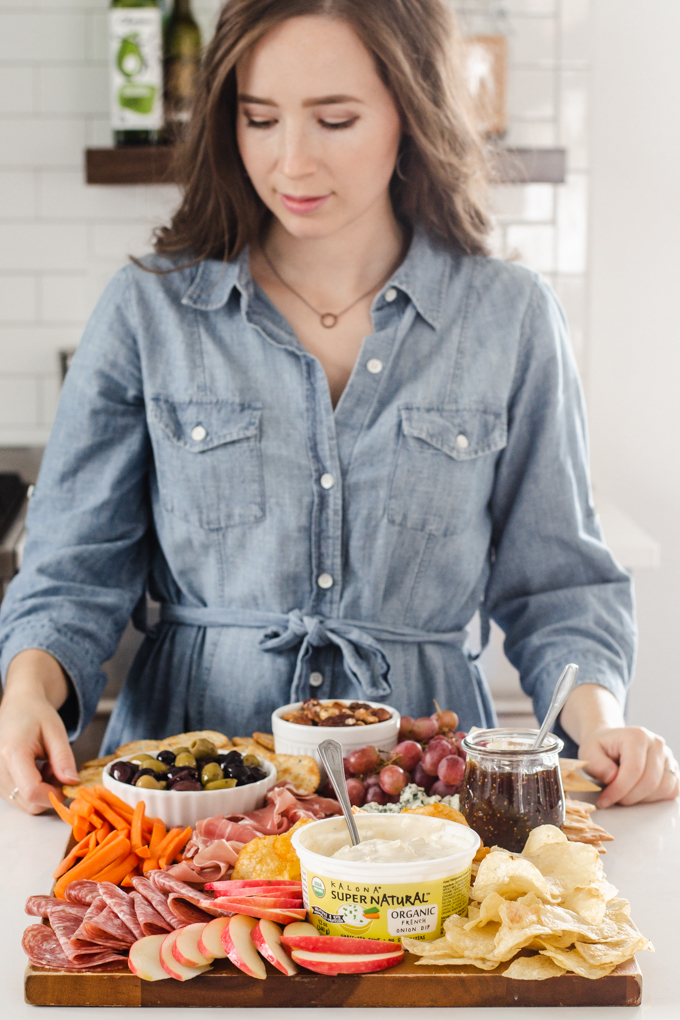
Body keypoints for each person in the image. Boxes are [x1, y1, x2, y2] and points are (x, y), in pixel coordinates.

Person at [0, 0, 677, 817]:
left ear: (411, 111)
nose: (291, 161)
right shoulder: (149, 310)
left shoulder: (510, 316)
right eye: (259, 118)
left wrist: (598, 717)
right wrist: (32, 684)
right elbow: (74, 567)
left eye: (335, 119)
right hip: (192, 797)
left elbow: (559, 583)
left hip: (429, 804)